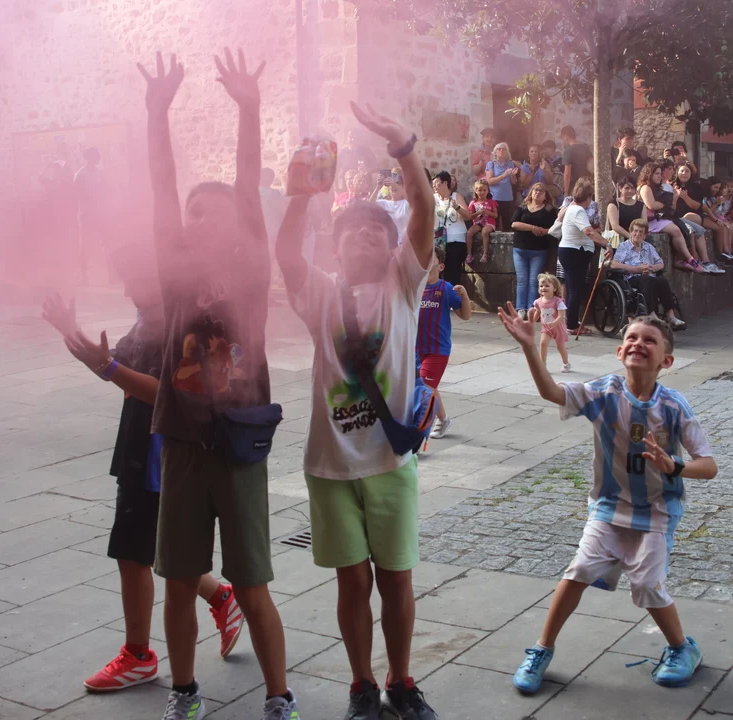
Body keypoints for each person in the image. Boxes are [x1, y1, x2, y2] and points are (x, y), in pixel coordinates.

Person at [138, 49, 298, 720]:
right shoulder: (175, 275)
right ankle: (184, 692)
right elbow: (160, 189)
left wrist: (250, 109)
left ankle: (279, 696)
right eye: (192, 212)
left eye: (212, 211)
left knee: (253, 582)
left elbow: (246, 186)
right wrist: (157, 112)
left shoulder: (250, 275)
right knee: (178, 582)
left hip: (238, 447)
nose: (197, 218)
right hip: (182, 442)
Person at [277, 99, 438, 720]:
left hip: (390, 463)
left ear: (395, 248)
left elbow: (422, 208)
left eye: (377, 232)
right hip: (331, 465)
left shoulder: (403, 285)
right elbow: (287, 257)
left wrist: (403, 145)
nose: (364, 236)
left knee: (396, 578)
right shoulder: (321, 294)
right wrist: (299, 197)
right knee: (352, 581)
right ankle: (362, 685)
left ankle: (401, 680)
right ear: (335, 248)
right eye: (351, 233)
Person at [40, 256, 246, 694]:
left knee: (134, 553)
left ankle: (138, 656)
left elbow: (167, 393)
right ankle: (220, 596)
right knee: (150, 547)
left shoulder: (177, 325)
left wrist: (109, 368)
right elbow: (113, 365)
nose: (127, 289)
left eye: (134, 280)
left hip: (157, 456)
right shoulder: (148, 319)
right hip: (138, 447)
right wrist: (74, 335)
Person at [496, 308, 717, 693]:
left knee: (647, 584)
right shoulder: (604, 392)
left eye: (649, 340)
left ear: (666, 361)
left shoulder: (673, 406)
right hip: (609, 508)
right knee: (579, 570)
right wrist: (531, 348)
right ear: (619, 351)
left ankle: (683, 648)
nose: (638, 344)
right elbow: (552, 392)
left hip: (657, 513)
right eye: (632, 338)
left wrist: (675, 465)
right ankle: (541, 649)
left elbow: (709, 465)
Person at [417, 245, 472, 439]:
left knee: (424, 387)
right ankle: (443, 419)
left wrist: (464, 296)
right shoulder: (415, 288)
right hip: (415, 349)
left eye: (431, 257)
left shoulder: (446, 289)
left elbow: (465, 315)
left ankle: (417, 432)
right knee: (427, 387)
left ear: (440, 266)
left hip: (437, 350)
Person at [609, 218, 687, 329]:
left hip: (649, 276)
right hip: (631, 279)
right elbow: (614, 264)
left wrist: (652, 268)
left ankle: (671, 316)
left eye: (641, 232)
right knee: (647, 280)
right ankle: (652, 315)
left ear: (645, 235)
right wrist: (636, 269)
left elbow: (660, 263)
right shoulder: (624, 247)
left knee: (662, 281)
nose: (637, 234)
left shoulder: (648, 247)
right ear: (631, 232)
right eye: (635, 231)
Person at [558, 179, 608, 335]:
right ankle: (572, 325)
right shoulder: (578, 211)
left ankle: (572, 321)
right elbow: (589, 232)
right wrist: (606, 244)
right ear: (587, 197)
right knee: (575, 290)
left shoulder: (573, 209)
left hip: (573, 252)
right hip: (574, 253)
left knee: (574, 289)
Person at [637, 162, 703, 273]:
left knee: (681, 228)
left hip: (658, 219)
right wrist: (666, 203)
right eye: (656, 173)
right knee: (675, 229)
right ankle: (690, 259)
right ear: (649, 174)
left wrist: (673, 199)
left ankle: (683, 259)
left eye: (660, 173)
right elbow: (651, 205)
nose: (659, 176)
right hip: (648, 221)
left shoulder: (658, 188)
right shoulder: (645, 187)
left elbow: (671, 209)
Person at [511, 183, 559, 310]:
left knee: (534, 281)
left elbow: (554, 228)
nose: (537, 192)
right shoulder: (522, 207)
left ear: (545, 196)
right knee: (522, 280)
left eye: (541, 191)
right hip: (520, 249)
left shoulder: (549, 210)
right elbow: (514, 224)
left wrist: (544, 231)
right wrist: (532, 228)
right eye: (535, 190)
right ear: (531, 193)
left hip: (538, 250)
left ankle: (532, 308)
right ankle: (520, 308)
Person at [73, 147, 108, 282]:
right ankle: (84, 275)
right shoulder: (80, 175)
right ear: (88, 158)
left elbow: (106, 190)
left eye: (98, 156)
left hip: (100, 212)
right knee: (85, 243)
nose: (98, 158)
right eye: (95, 156)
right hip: (86, 213)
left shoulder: (101, 174)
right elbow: (77, 194)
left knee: (105, 242)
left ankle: (111, 274)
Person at [433, 171, 470, 286]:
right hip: (438, 242)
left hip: (455, 242)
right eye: (433, 184)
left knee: (452, 276)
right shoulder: (433, 198)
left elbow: (468, 216)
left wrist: (457, 207)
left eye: (436, 183)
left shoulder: (456, 197)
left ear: (445, 183)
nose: (434, 186)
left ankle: (453, 297)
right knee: (436, 275)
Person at [532, 273, 571, 371]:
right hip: (546, 328)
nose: (543, 288)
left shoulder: (558, 301)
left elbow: (561, 316)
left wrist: (554, 323)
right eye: (541, 286)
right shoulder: (538, 302)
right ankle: (543, 365)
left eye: (547, 286)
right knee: (542, 343)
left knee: (560, 347)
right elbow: (538, 312)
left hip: (558, 328)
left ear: (554, 288)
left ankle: (566, 363)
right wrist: (531, 321)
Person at [486, 142, 519, 231]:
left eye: (504, 149)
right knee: (494, 224)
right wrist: (503, 176)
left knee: (507, 224)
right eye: (499, 149)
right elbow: (489, 181)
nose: (501, 151)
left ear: (507, 152)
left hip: (507, 197)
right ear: (495, 152)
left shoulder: (510, 164)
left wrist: (513, 175)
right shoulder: (491, 164)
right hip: (494, 198)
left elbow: (514, 182)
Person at [373, 171, 411, 246]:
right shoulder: (384, 203)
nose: (393, 185)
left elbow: (413, 202)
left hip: (405, 244)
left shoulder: (406, 203)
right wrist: (378, 187)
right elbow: (369, 205)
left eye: (398, 183)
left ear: (403, 186)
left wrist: (394, 184)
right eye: (391, 183)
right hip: (389, 244)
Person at [466, 179, 497, 264]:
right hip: (478, 223)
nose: (482, 192)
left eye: (484, 190)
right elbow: (470, 216)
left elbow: (495, 215)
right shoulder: (473, 203)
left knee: (485, 232)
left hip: (489, 223)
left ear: (488, 191)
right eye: (480, 190)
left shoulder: (491, 202)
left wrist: (487, 212)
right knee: (469, 233)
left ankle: (485, 254)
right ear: (475, 191)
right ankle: (469, 254)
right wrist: (478, 213)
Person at [560, 125, 591, 201]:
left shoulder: (568, 151)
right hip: (587, 186)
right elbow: (591, 166)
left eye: (563, 139)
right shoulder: (586, 149)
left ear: (565, 137)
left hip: (574, 187)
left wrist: (566, 192)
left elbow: (567, 174)